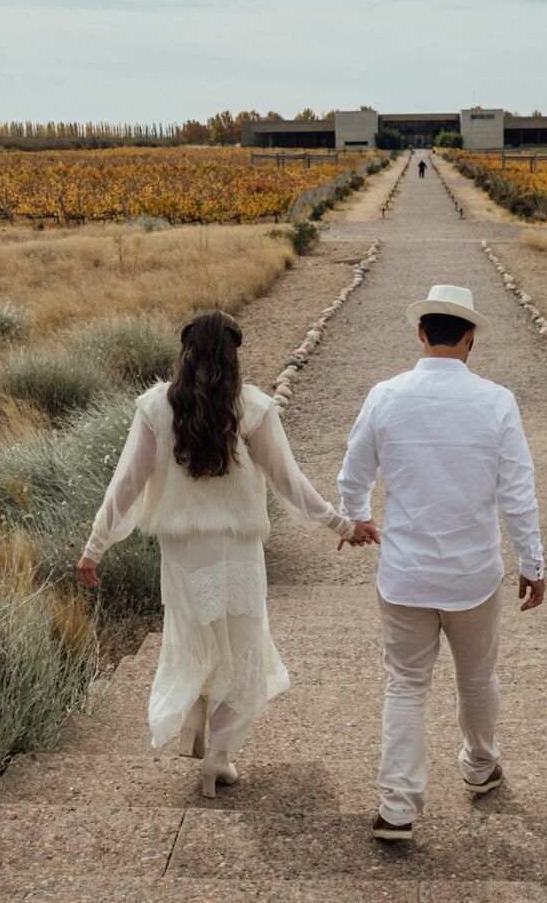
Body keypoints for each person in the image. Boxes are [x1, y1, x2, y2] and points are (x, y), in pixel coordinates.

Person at [77, 310, 378, 798]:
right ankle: (218, 757)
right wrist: (341, 523)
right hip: (237, 548)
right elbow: (288, 482)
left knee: (194, 641)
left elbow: (127, 484)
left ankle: (193, 718)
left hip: (182, 550)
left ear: (186, 353)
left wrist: (96, 546)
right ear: (233, 355)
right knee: (241, 646)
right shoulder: (252, 407)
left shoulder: (156, 406)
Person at [337, 284, 545, 842]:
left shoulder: (385, 395)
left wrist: (357, 521)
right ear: (470, 337)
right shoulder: (497, 401)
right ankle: (479, 767)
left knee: (406, 684)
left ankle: (397, 809)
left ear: (421, 332)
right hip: (474, 575)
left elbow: (352, 475)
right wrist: (533, 562)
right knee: (476, 677)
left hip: (404, 573)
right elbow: (517, 495)